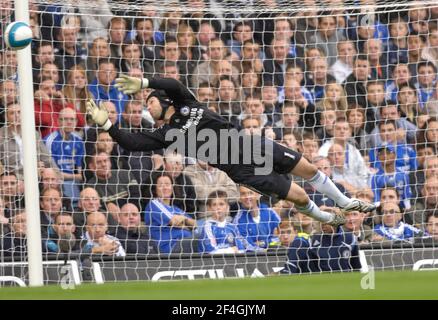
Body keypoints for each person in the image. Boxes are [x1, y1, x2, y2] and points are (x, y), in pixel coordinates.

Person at [86, 76, 376, 227]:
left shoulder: (188, 103)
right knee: (299, 195)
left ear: (165, 102)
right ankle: (328, 218)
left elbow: (173, 84)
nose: (146, 108)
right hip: (243, 169)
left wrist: (145, 83)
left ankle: (346, 202)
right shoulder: (166, 135)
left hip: (252, 145)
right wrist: (107, 124)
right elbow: (131, 142)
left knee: (311, 170)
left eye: (149, 102)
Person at [280, 219, 361, 274]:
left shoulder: (350, 238)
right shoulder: (313, 239)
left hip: (344, 279)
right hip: (319, 279)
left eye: (326, 222)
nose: (323, 225)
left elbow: (356, 266)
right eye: (321, 222)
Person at [143, 173, 196, 254]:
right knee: (202, 238)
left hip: (185, 242)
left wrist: (184, 219)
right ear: (155, 189)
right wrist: (188, 225)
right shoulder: (154, 204)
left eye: (167, 184)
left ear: (172, 187)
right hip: (170, 247)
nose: (165, 188)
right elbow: (174, 221)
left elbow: (195, 224)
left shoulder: (176, 209)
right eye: (161, 185)